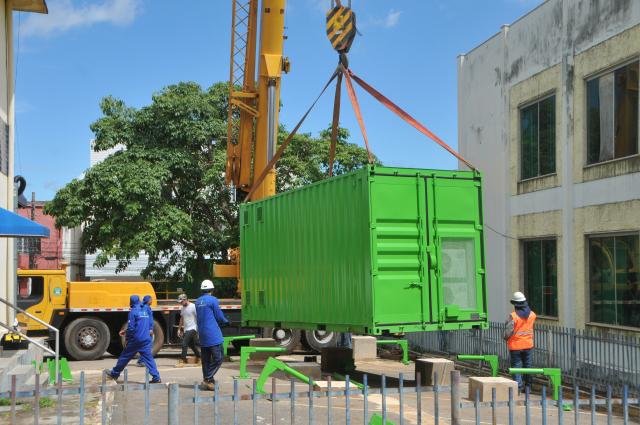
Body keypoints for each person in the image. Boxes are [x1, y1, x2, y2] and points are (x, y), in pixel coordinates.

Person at [105, 295, 161, 383]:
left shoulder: (133, 312)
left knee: (124, 357)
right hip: (146, 339)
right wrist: (125, 330)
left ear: (131, 302)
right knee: (149, 359)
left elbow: (131, 328)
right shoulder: (146, 309)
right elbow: (142, 324)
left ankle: (114, 374)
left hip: (136, 340)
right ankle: (156, 377)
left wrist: (127, 338)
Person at [195, 279, 229, 391]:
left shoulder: (197, 301)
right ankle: (208, 378)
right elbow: (219, 316)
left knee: (206, 360)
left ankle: (208, 380)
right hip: (213, 335)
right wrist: (226, 321)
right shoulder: (213, 300)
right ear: (212, 290)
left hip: (202, 334)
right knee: (219, 358)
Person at [503, 291, 536, 393]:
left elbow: (508, 332)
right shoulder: (532, 315)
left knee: (516, 367)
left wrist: (504, 337)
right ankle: (528, 387)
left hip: (515, 346)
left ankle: (518, 386)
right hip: (528, 345)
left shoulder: (513, 316)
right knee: (528, 366)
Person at [177, 293, 201, 362]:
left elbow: (198, 317)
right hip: (186, 329)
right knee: (192, 345)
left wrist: (199, 329)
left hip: (193, 328)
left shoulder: (193, 306)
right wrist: (179, 329)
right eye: (180, 302)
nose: (181, 303)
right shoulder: (182, 308)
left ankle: (182, 359)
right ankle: (199, 356)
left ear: (185, 300)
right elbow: (181, 319)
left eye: (181, 302)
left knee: (184, 343)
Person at [136, 294, 154, 367]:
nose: (152, 301)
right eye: (151, 300)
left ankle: (142, 360)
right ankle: (141, 361)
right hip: (147, 330)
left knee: (146, 346)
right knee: (147, 346)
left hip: (146, 330)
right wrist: (150, 329)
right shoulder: (146, 308)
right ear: (148, 301)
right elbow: (148, 319)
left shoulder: (145, 307)